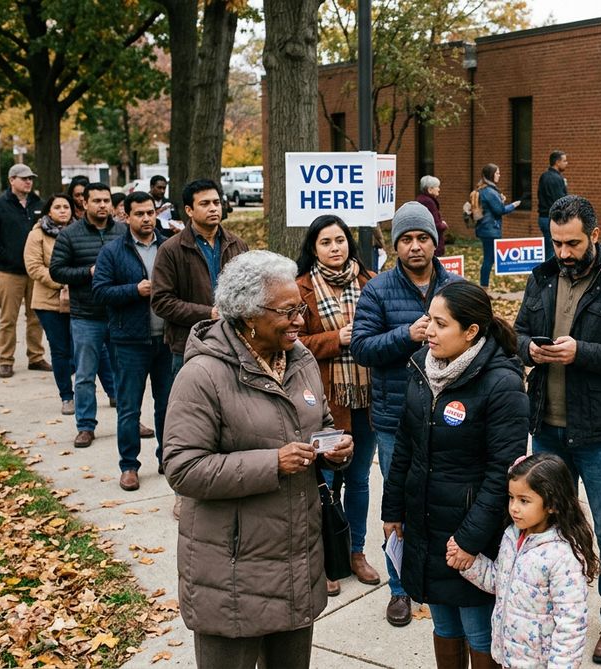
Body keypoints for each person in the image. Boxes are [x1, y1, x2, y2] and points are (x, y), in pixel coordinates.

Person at [162, 250, 354, 669]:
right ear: (249, 315)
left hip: (296, 558)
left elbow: (318, 421)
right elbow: (183, 468)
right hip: (232, 568)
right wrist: (272, 464)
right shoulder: (203, 375)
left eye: (300, 309)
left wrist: (335, 448)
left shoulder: (300, 359)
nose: (300, 320)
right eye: (288, 311)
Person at [514, 194, 601, 664]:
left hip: (600, 432)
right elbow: (516, 333)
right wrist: (530, 348)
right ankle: (558, 608)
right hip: (546, 426)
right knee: (549, 526)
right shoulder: (541, 276)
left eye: (573, 243)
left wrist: (582, 353)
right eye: (556, 243)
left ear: (595, 234)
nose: (564, 253)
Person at [380, 281, 529, 669]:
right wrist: (392, 510)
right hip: (427, 528)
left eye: (440, 323)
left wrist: (468, 541)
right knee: (444, 625)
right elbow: (405, 447)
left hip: (471, 535)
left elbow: (504, 475)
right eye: (429, 319)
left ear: (471, 332)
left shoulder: (502, 383)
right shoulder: (421, 369)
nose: (428, 329)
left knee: (479, 632)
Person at [350, 201, 463, 626]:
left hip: (449, 413)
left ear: (435, 242)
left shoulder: (454, 286)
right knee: (398, 501)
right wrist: (406, 334)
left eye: (422, 238)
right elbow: (361, 347)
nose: (415, 247)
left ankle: (435, 578)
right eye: (406, 240)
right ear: (395, 245)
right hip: (397, 416)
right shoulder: (377, 289)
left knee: (441, 498)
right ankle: (399, 590)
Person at [295, 215, 380, 597]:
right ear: (313, 247)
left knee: (360, 480)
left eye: (341, 240)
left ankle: (356, 552)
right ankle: (325, 559)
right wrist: (337, 339)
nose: (335, 247)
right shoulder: (300, 288)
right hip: (326, 403)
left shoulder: (370, 281)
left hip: (367, 399)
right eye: (326, 241)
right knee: (326, 481)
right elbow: (293, 343)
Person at [455, 452, 599, 669]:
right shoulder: (512, 536)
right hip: (509, 655)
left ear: (553, 504)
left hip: (539, 663)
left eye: (524, 501)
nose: (513, 507)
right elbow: (500, 581)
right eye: (511, 497)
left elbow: (571, 624)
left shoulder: (562, 556)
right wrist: (469, 564)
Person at [92, 191, 172, 492]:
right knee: (129, 408)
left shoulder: (169, 246)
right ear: (126, 216)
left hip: (166, 341)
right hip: (129, 342)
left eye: (151, 212)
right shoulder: (113, 251)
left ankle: (168, 457)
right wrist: (133, 290)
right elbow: (99, 291)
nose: (147, 218)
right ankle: (129, 465)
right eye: (140, 213)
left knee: (167, 406)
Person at [49, 183, 129, 449]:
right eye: (97, 201)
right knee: (85, 374)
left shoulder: (122, 231)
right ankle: (85, 426)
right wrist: (88, 272)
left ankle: (129, 421)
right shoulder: (70, 235)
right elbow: (57, 271)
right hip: (86, 316)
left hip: (118, 313)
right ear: (84, 203)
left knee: (126, 372)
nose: (103, 205)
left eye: (107, 200)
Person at [151, 178, 248, 375]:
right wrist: (208, 313)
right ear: (189, 210)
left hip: (233, 343)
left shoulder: (237, 245)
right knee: (191, 404)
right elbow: (161, 301)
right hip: (189, 344)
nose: (213, 208)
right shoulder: (171, 249)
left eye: (216, 202)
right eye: (204, 204)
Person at [0, 163, 48, 378]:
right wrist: (6, 255)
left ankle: (36, 357)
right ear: (12, 180)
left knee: (36, 316)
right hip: (10, 272)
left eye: (31, 178)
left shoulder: (39, 204)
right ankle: (6, 360)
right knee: (8, 317)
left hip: (35, 271)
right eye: (24, 178)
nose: (29, 181)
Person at [24, 194, 77, 413]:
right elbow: (34, 267)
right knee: (59, 350)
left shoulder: (79, 232)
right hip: (48, 302)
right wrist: (63, 280)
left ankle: (106, 391)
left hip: (78, 299)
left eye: (66, 206)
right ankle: (67, 396)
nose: (63, 210)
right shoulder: (37, 235)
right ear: (49, 211)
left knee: (78, 349)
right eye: (58, 207)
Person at [474, 164, 520, 289]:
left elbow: (493, 207)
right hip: (490, 230)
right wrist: (513, 205)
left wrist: (501, 200)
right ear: (491, 174)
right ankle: (484, 288)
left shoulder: (485, 189)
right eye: (497, 173)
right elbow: (499, 210)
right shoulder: (489, 191)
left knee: (489, 259)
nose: (499, 175)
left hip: (486, 228)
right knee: (488, 260)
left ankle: (484, 286)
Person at [537, 151, 569, 256]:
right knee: (552, 251)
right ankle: (549, 272)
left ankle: (548, 271)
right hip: (551, 218)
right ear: (557, 162)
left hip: (543, 217)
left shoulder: (544, 176)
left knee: (549, 250)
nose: (566, 163)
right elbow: (560, 201)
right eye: (564, 161)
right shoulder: (555, 179)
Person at [416, 176, 448, 256]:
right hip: (432, 243)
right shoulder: (429, 202)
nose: (439, 189)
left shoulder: (421, 199)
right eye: (437, 187)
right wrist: (443, 225)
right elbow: (435, 225)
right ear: (430, 190)